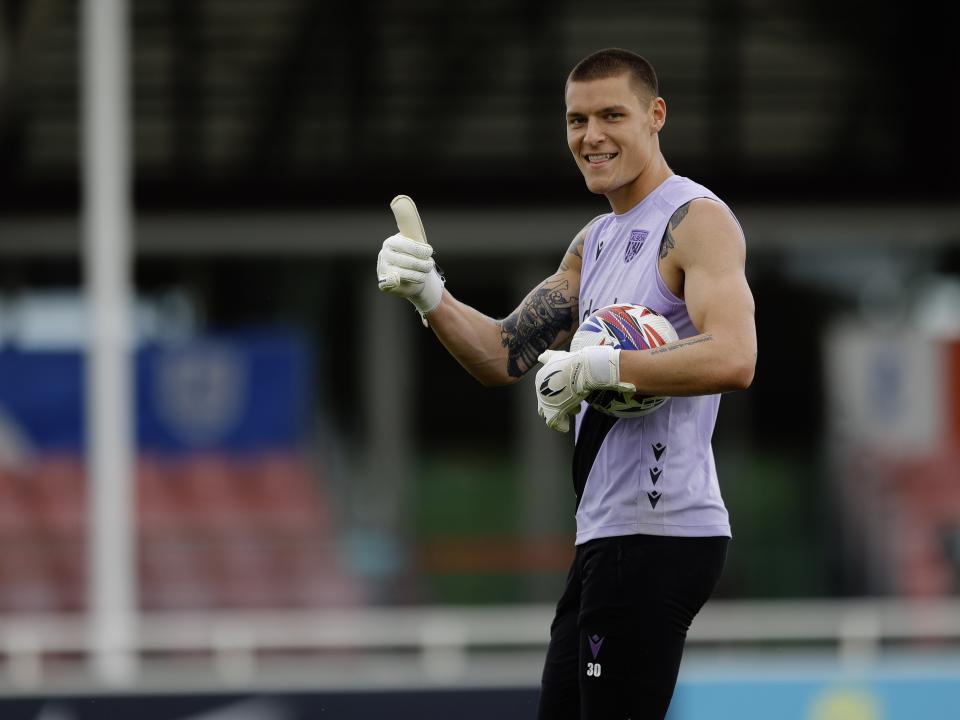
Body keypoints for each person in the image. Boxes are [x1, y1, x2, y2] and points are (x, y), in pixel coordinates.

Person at [376, 48, 756, 720]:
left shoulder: (695, 220)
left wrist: (602, 368)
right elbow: (502, 354)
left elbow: (735, 356)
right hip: (606, 537)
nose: (591, 136)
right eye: (577, 120)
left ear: (656, 115)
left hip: (658, 533)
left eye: (612, 115)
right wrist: (428, 292)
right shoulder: (595, 240)